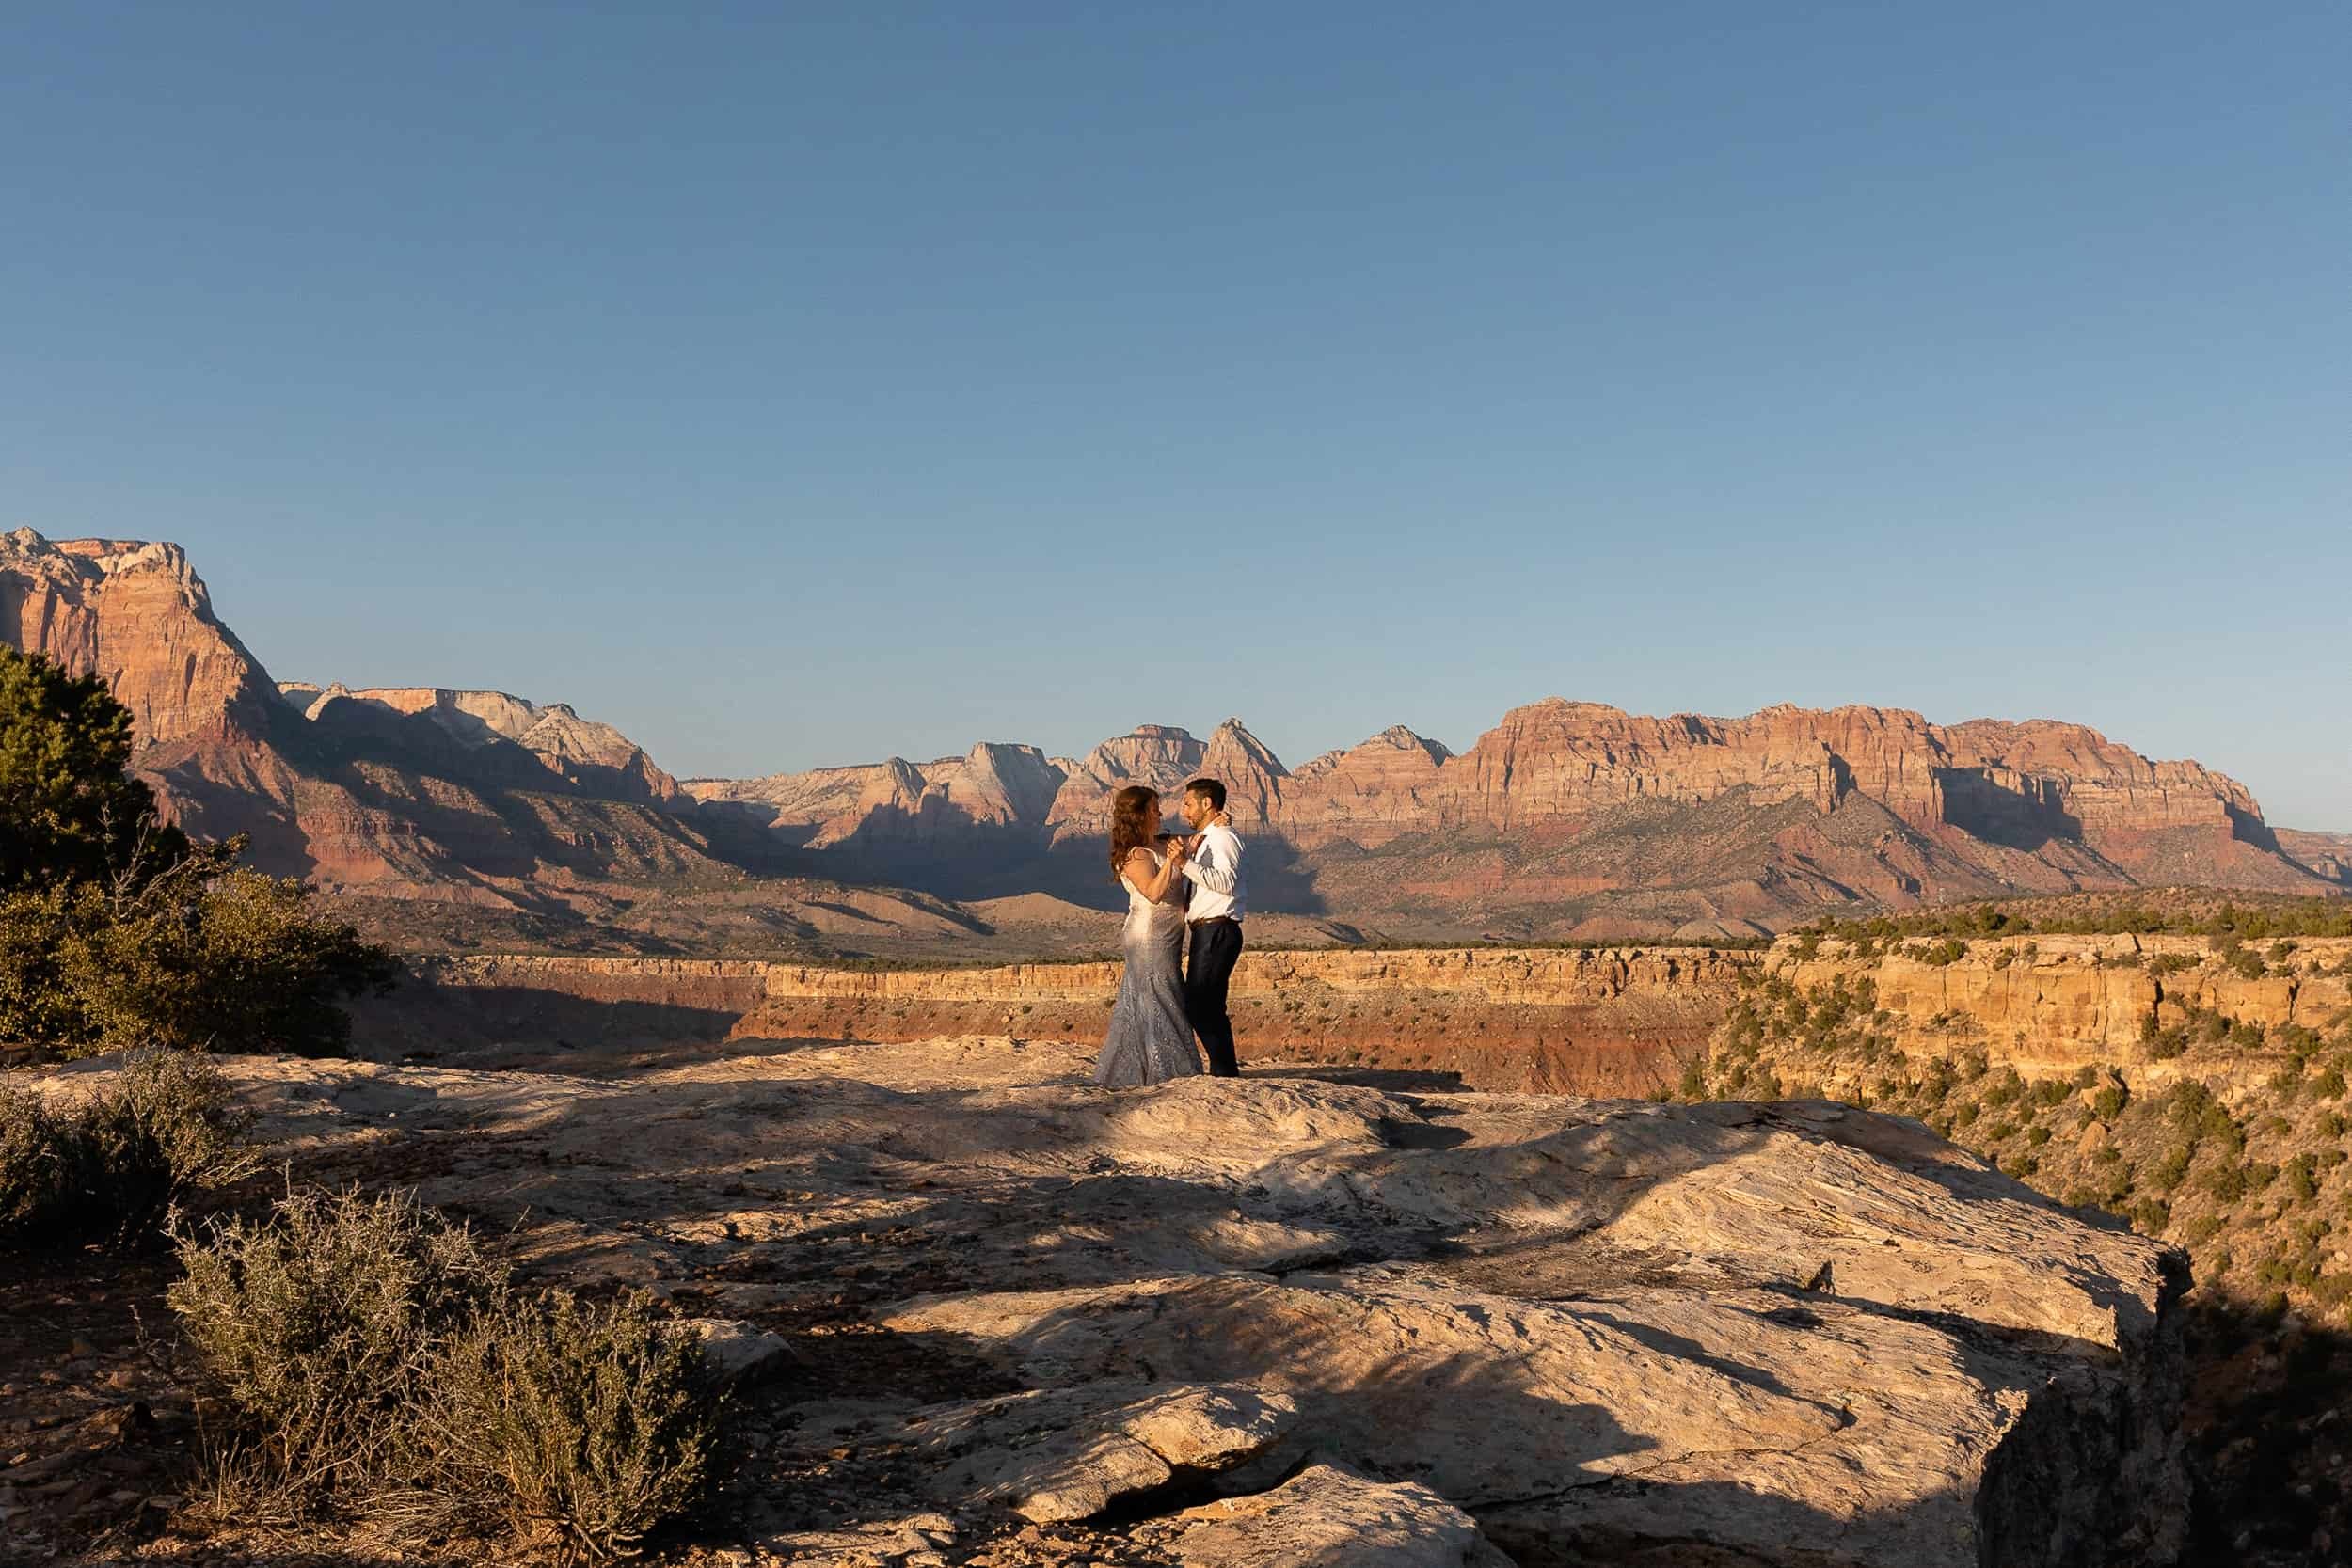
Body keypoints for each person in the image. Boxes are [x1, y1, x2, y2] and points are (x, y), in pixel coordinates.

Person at [1090, 784, 1204, 1086]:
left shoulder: (1159, 842)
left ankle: (1145, 1067)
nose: (1160, 813)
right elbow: (1154, 893)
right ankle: (1167, 1070)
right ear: (1139, 815)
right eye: (1154, 809)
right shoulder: (1135, 855)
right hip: (1148, 936)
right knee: (1160, 995)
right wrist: (1172, 861)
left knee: (1157, 994)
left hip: (1168, 934)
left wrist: (1216, 822)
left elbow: (1192, 841)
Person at [1172, 777, 1246, 1077]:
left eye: (1188, 804)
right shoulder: (1207, 838)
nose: (1183, 811)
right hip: (1207, 931)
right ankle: (1223, 1069)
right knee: (1206, 1004)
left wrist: (1184, 865)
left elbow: (1226, 883)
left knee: (1202, 1005)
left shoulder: (1223, 838)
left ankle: (1225, 1071)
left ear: (1207, 803)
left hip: (1218, 929)